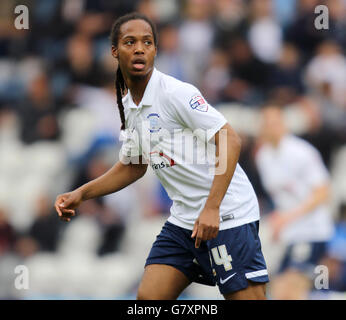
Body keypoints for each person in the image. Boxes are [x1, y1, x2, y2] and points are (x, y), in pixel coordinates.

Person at [55, 12, 268, 300]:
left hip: (228, 214)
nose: (140, 48)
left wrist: (212, 207)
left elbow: (229, 139)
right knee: (148, 300)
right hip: (184, 221)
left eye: (147, 42)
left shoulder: (175, 93)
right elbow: (133, 166)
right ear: (115, 52)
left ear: (155, 49)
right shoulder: (128, 104)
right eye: (130, 42)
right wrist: (82, 193)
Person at [255, 105, 334, 276]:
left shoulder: (302, 152)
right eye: (267, 123)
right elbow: (280, 196)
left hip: (311, 231)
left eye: (275, 122)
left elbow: (322, 192)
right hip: (289, 233)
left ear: (284, 124)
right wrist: (279, 220)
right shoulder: (263, 156)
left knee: (294, 285)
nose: (271, 127)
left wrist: (287, 218)